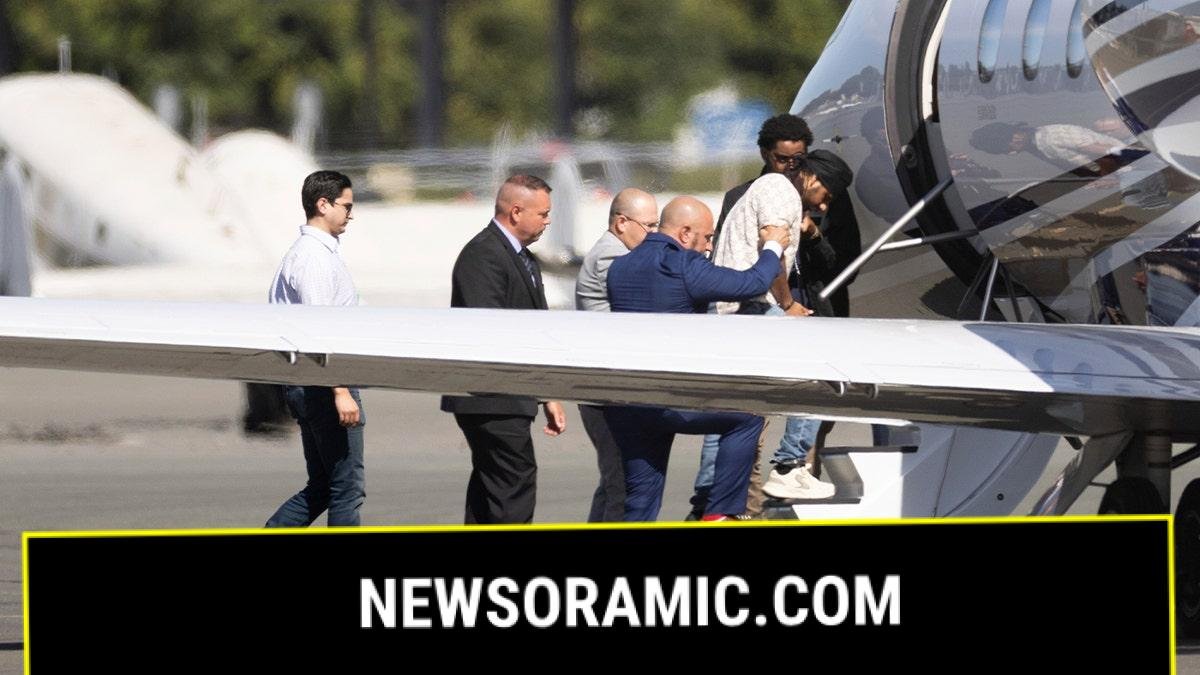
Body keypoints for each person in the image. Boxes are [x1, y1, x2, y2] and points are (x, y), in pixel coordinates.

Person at [604, 196, 791, 521]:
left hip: (628, 403)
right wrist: (772, 246)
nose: (707, 248)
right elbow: (752, 283)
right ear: (686, 232)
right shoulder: (684, 265)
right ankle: (720, 513)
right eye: (707, 238)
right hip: (671, 401)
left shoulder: (621, 266)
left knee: (640, 500)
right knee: (747, 419)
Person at [692, 150, 855, 514]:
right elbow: (774, 250)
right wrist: (787, 304)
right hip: (748, 304)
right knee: (821, 369)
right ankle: (790, 465)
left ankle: (709, 496)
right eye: (827, 195)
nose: (825, 207)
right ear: (812, 178)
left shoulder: (773, 191)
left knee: (734, 409)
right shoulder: (780, 190)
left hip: (736, 305)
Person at [441, 174, 568, 524]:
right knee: (514, 483)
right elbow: (492, 330)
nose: (548, 220)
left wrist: (548, 394)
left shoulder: (521, 256)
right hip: (491, 395)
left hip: (510, 395)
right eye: (542, 213)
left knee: (491, 487)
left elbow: (536, 323)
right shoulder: (484, 255)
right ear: (515, 212)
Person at [265, 170, 365, 527]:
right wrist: (340, 389)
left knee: (325, 486)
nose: (350, 215)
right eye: (346, 206)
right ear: (323, 204)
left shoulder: (312, 253)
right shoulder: (314, 258)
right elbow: (319, 329)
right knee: (347, 488)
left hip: (311, 383)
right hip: (322, 385)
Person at [575, 188, 658, 522]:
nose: (654, 235)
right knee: (623, 485)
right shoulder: (611, 257)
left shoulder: (622, 252)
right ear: (622, 222)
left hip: (609, 389)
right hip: (605, 392)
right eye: (649, 226)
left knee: (614, 483)